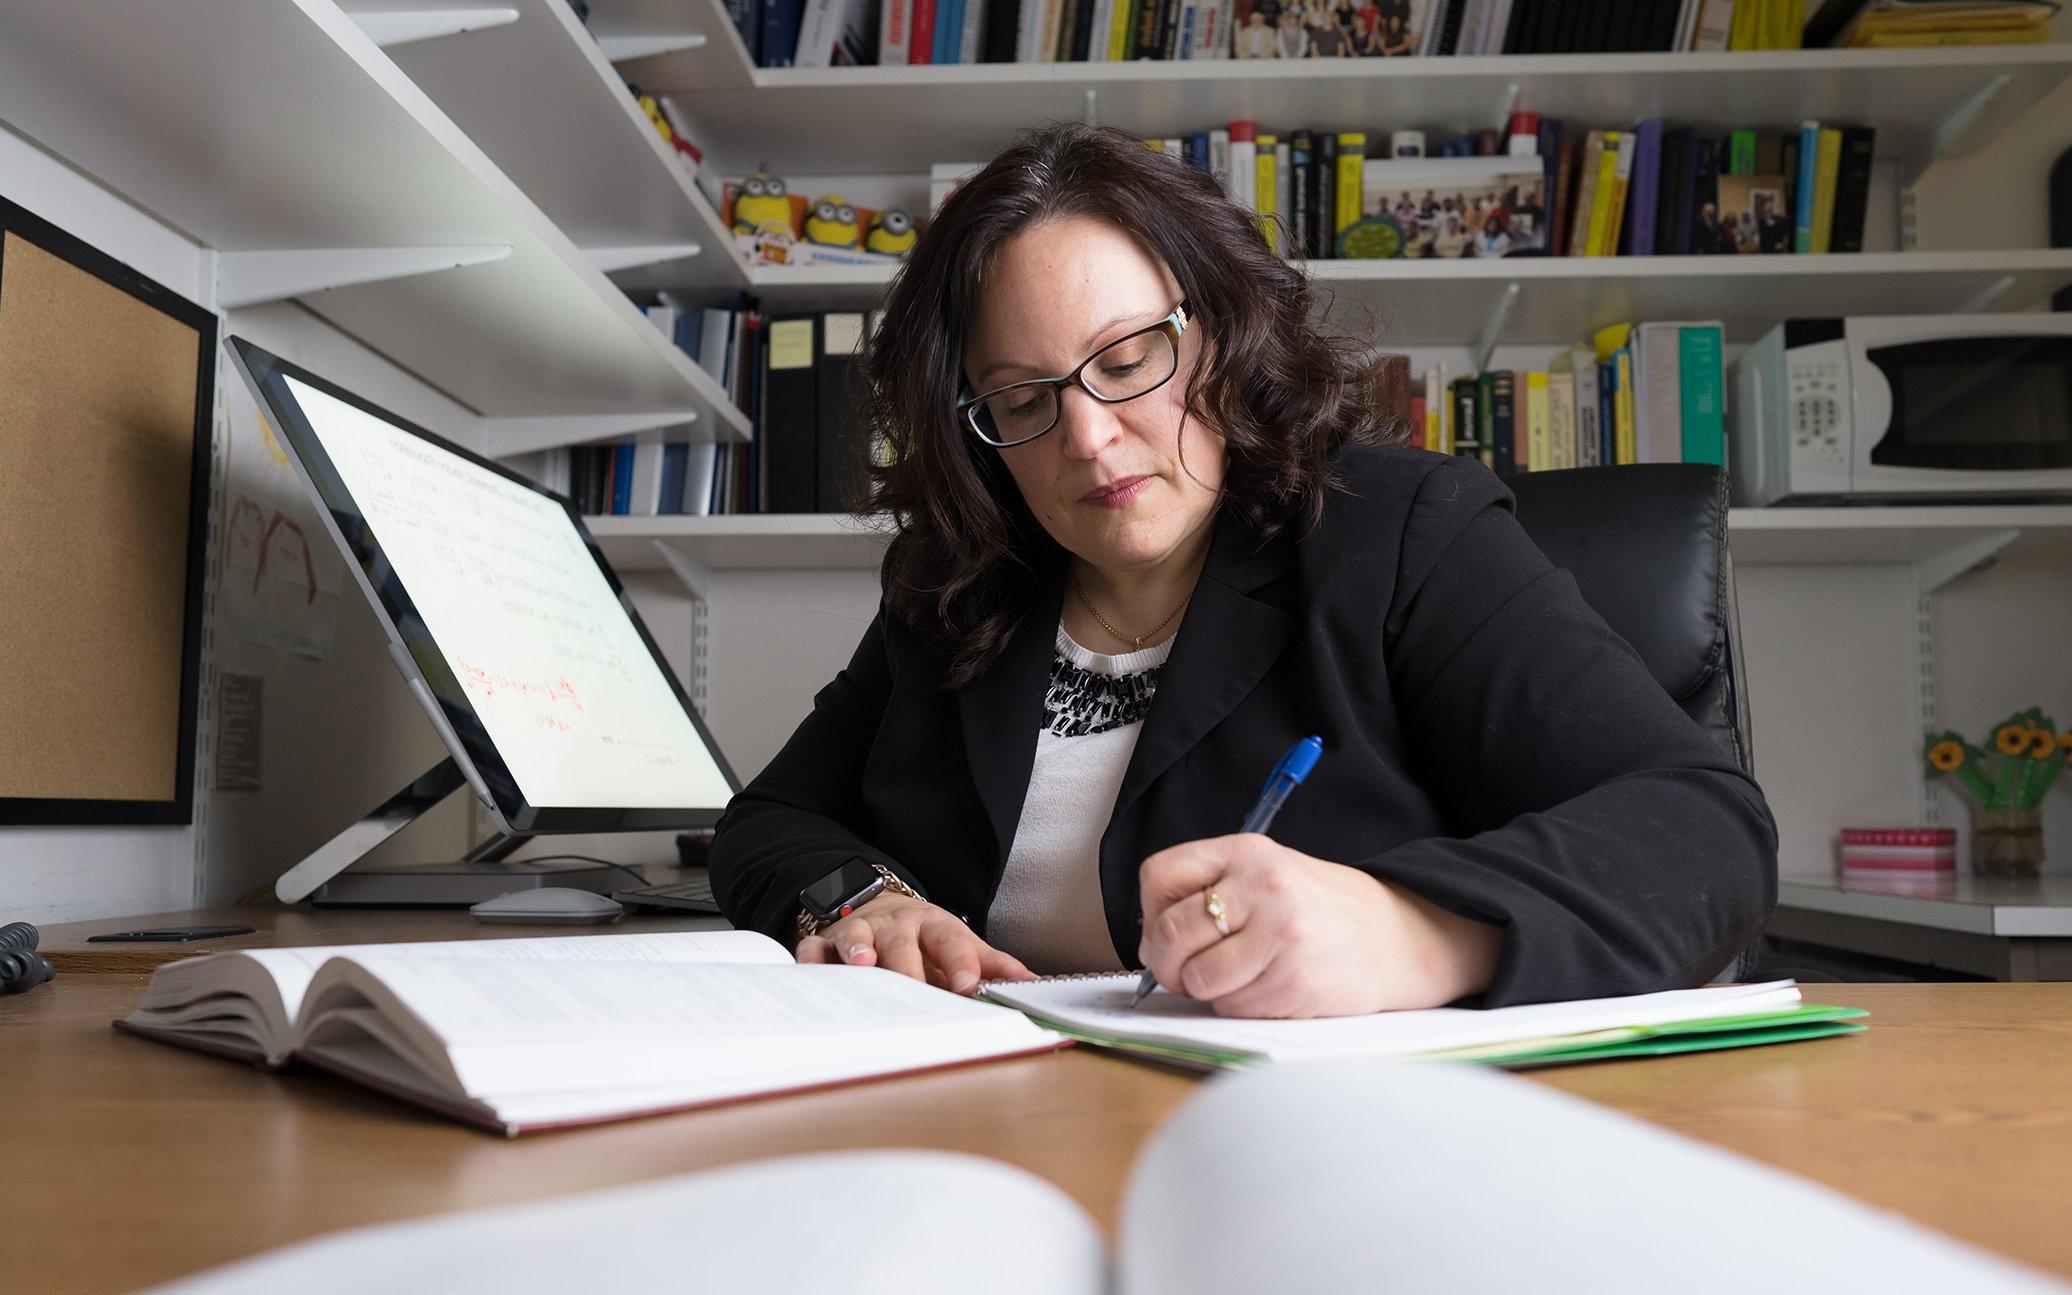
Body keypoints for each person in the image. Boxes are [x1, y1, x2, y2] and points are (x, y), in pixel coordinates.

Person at [709, 124, 1776, 1019]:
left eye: (1128, 362)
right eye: (1024, 400)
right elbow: (768, 823)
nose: (1089, 437)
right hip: (998, 1117)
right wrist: (862, 900)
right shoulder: (952, 588)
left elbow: (1702, 831)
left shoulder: (1402, 534)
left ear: (1220, 335)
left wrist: (1415, 931)